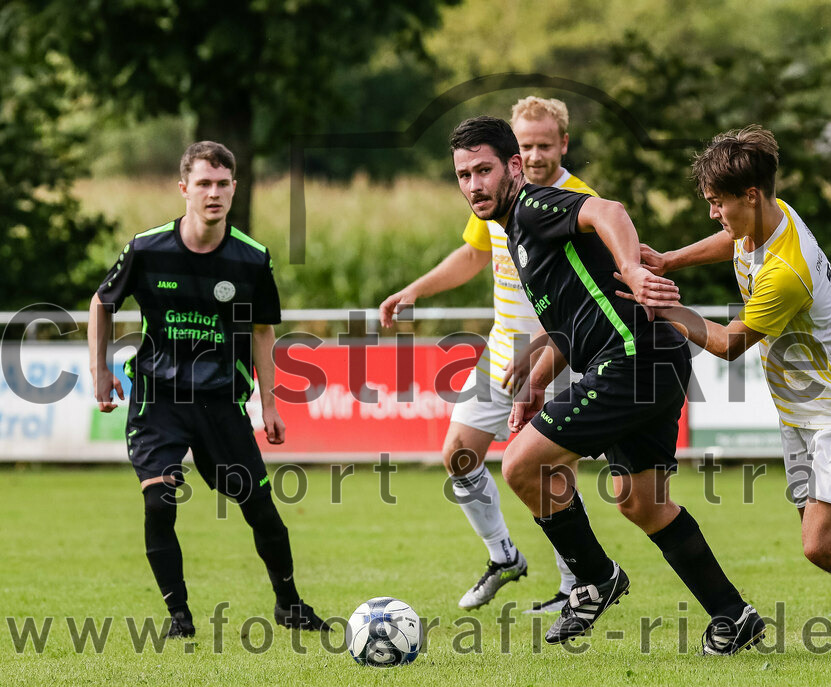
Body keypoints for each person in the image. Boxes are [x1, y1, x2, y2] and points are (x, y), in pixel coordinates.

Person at [626, 125, 831, 655]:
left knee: (821, 544)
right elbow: (732, 239)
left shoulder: (786, 268)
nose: (714, 213)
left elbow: (728, 343)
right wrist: (669, 261)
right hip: (801, 407)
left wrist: (662, 304)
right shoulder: (766, 220)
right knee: (823, 522)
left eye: (719, 203)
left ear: (751, 195)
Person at [449, 115, 767, 653]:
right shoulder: (517, 236)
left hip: (632, 359)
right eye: (463, 175)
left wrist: (634, 269)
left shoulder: (534, 206)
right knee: (642, 503)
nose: (475, 185)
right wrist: (537, 382)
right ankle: (733, 616)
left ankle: (594, 578)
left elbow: (607, 210)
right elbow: (573, 320)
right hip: (651, 359)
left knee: (522, 465)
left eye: (484, 169)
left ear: (515, 166)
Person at [87, 141, 328, 638]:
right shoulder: (148, 248)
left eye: (222, 184)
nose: (213, 193)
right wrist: (100, 370)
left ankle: (289, 604)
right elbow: (101, 302)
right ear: (184, 189)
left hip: (222, 401)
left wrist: (270, 402)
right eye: (203, 184)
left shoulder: (251, 258)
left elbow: (263, 330)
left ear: (234, 188)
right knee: (159, 501)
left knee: (260, 509)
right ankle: (180, 618)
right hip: (159, 400)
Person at [380, 97, 596, 613]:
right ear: (513, 153)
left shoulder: (577, 200)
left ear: (563, 144)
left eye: (545, 144)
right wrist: (416, 290)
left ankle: (574, 585)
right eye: (526, 144)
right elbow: (476, 253)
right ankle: (504, 558)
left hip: (559, 351)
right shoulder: (497, 198)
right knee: (458, 455)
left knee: (547, 470)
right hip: (503, 349)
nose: (536, 154)